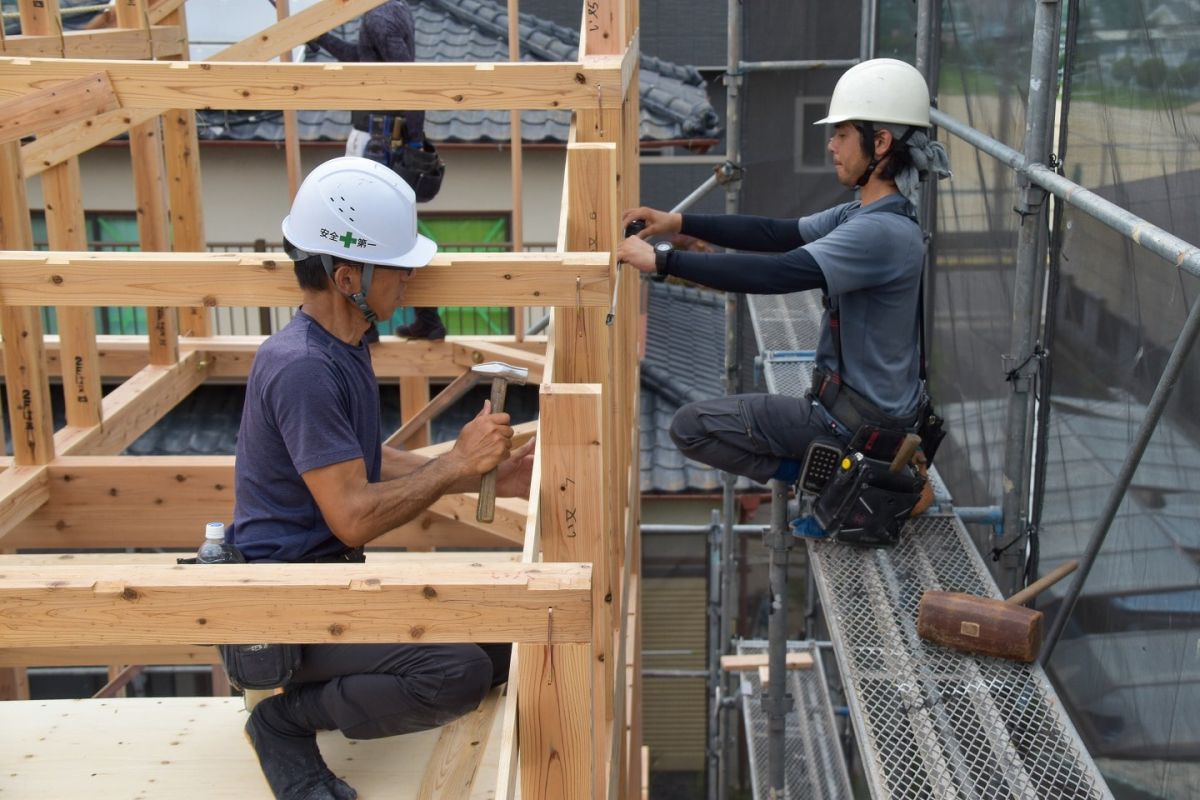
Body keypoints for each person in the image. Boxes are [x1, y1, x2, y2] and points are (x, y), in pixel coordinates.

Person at [229, 156, 534, 800]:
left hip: (330, 579)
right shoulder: (303, 368)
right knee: (453, 673)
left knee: (507, 643)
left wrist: (480, 473)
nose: (412, 277)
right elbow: (353, 513)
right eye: (398, 266)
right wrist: (456, 463)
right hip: (286, 609)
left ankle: (330, 693)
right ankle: (283, 723)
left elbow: (362, 461)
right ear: (348, 277)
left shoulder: (345, 345)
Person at [616, 58, 950, 500]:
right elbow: (777, 234)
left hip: (852, 422)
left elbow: (779, 271)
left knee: (690, 428)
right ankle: (863, 475)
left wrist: (662, 262)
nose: (832, 145)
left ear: (881, 142)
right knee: (701, 425)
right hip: (865, 411)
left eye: (843, 134)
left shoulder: (878, 232)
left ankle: (848, 482)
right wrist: (676, 222)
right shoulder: (867, 215)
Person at [309, 0, 447, 341]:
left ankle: (367, 324)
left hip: (382, 141)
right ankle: (422, 319)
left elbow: (409, 81)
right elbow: (363, 60)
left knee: (366, 235)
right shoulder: (390, 12)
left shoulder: (379, 17)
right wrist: (321, 38)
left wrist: (412, 143)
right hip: (384, 139)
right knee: (376, 232)